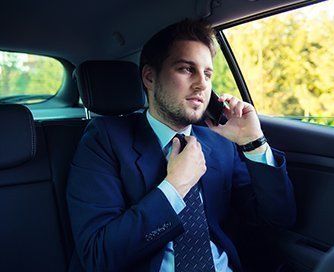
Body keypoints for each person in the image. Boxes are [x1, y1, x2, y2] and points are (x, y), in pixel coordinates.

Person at [67, 19, 296, 272]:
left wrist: (253, 143)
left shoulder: (219, 143)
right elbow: (98, 256)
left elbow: (278, 220)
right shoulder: (104, 140)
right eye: (187, 69)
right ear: (150, 77)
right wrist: (175, 187)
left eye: (207, 74)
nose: (202, 84)